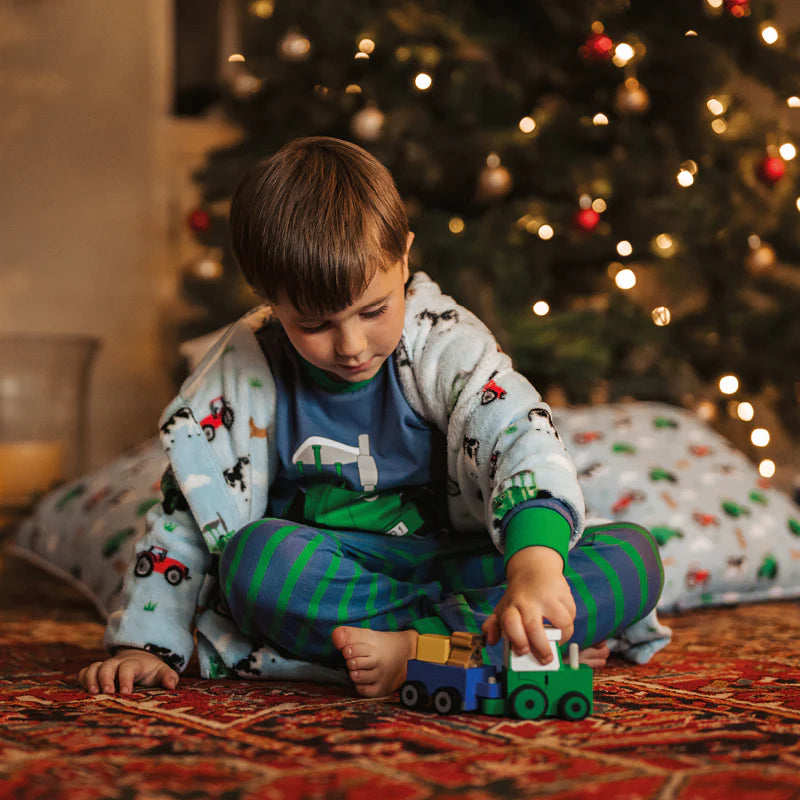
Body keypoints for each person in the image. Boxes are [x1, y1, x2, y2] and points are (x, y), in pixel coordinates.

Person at [79, 137, 667, 699]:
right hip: (341, 575)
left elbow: (520, 443)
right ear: (266, 296)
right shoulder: (240, 373)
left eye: (374, 310)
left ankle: (425, 648)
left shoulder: (446, 346)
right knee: (255, 562)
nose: (353, 346)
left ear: (404, 254)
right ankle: (499, 648)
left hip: (467, 563)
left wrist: (534, 572)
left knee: (633, 558)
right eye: (315, 325)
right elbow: (186, 513)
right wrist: (148, 645)